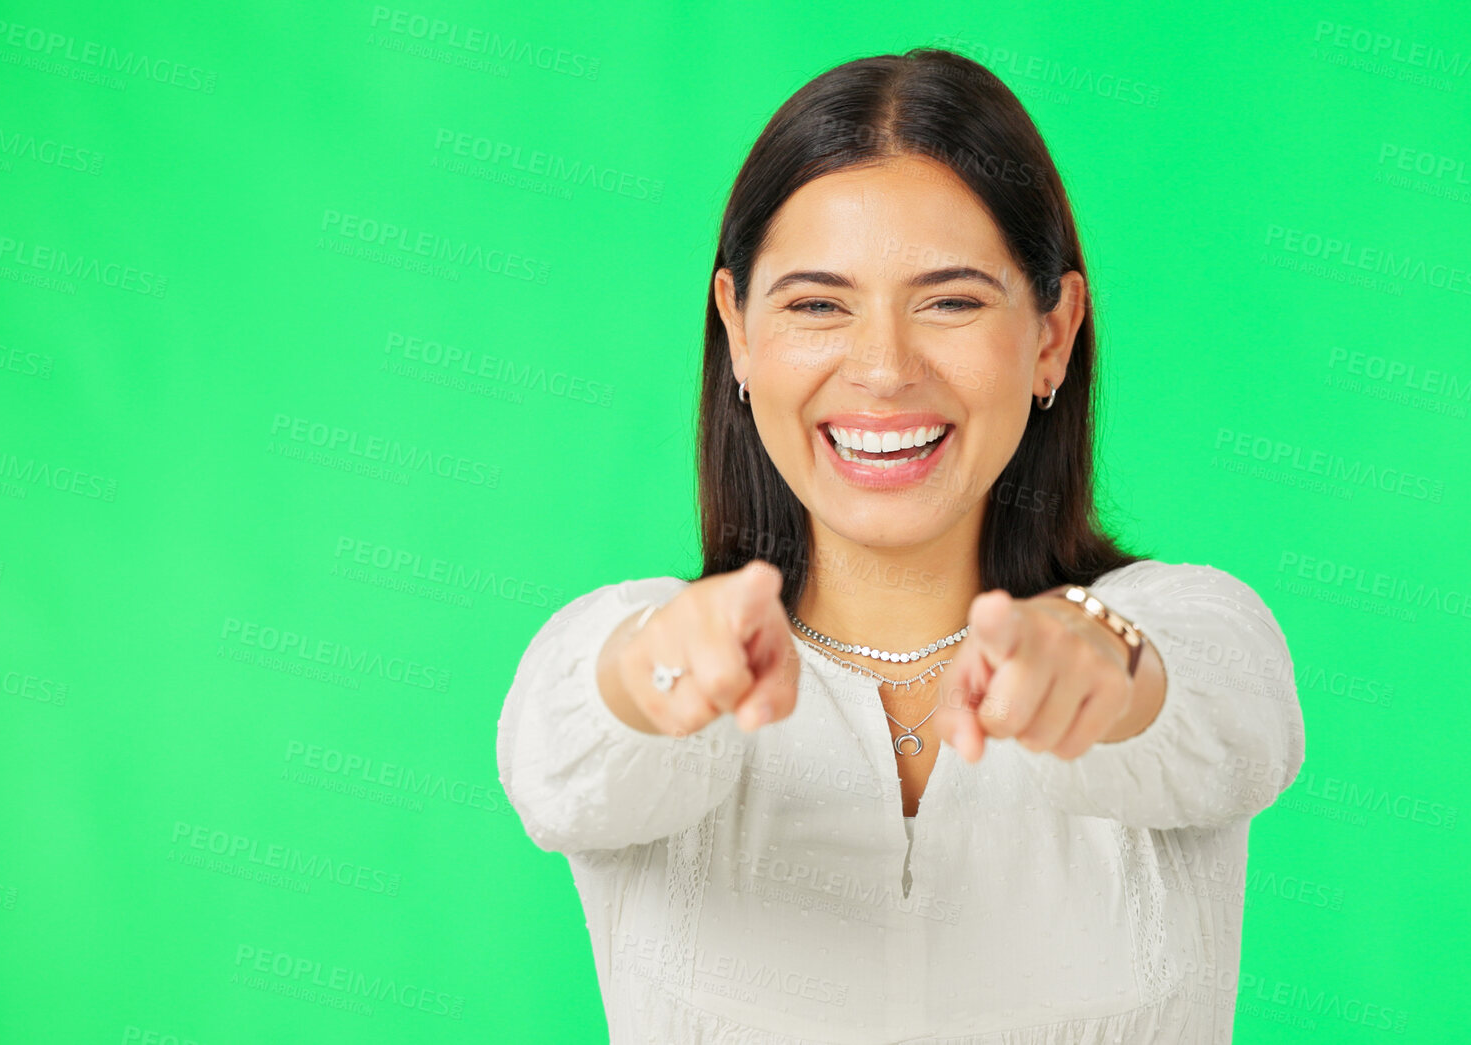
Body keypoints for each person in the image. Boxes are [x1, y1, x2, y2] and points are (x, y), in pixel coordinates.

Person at [496, 46, 1305, 1044]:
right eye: (816, 304)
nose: (882, 369)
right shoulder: (647, 644)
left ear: (1051, 333)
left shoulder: (1190, 623)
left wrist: (1097, 651)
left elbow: (1214, 706)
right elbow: (567, 747)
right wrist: (663, 663)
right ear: (738, 331)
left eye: (951, 300)